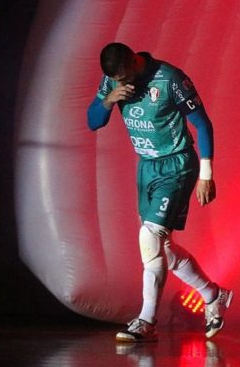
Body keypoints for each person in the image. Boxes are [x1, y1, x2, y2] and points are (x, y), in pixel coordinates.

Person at [87, 42, 232, 342]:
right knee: (162, 248)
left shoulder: (170, 79)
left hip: (176, 164)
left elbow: (202, 124)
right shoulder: (113, 82)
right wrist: (109, 99)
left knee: (149, 238)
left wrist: (206, 175)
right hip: (148, 168)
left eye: (123, 78)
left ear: (133, 63)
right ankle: (212, 295)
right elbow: (93, 121)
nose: (120, 84)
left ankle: (146, 321)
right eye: (115, 81)